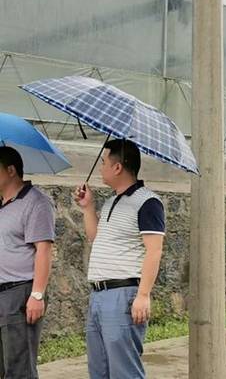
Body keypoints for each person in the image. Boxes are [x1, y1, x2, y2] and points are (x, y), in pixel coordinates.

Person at [74, 139, 165, 379]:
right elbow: (97, 237)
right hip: (99, 294)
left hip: (123, 294)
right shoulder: (111, 200)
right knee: (99, 370)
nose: (101, 167)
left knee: (123, 371)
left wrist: (143, 295)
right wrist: (88, 207)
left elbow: (154, 251)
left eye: (104, 162)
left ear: (117, 167)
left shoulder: (148, 202)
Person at [0, 146, 55, 378]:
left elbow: (44, 250)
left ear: (10, 170)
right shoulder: (3, 204)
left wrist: (37, 295)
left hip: (19, 293)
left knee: (19, 367)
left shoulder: (36, 202)